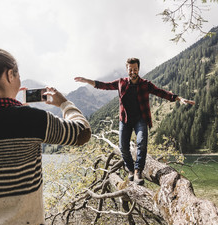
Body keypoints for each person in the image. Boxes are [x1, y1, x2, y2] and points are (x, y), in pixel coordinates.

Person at [0, 39, 91, 225]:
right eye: (17, 75)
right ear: (10, 75)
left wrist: (19, 114)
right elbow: (82, 133)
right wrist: (64, 103)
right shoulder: (30, 120)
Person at [75, 57, 194, 185]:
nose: (133, 72)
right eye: (130, 69)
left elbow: (160, 92)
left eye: (135, 69)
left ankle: (138, 171)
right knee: (123, 147)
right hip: (125, 120)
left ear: (138, 69)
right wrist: (87, 81)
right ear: (127, 70)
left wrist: (178, 98)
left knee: (142, 143)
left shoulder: (145, 84)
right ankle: (130, 170)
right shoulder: (121, 83)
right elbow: (104, 85)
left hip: (140, 119)